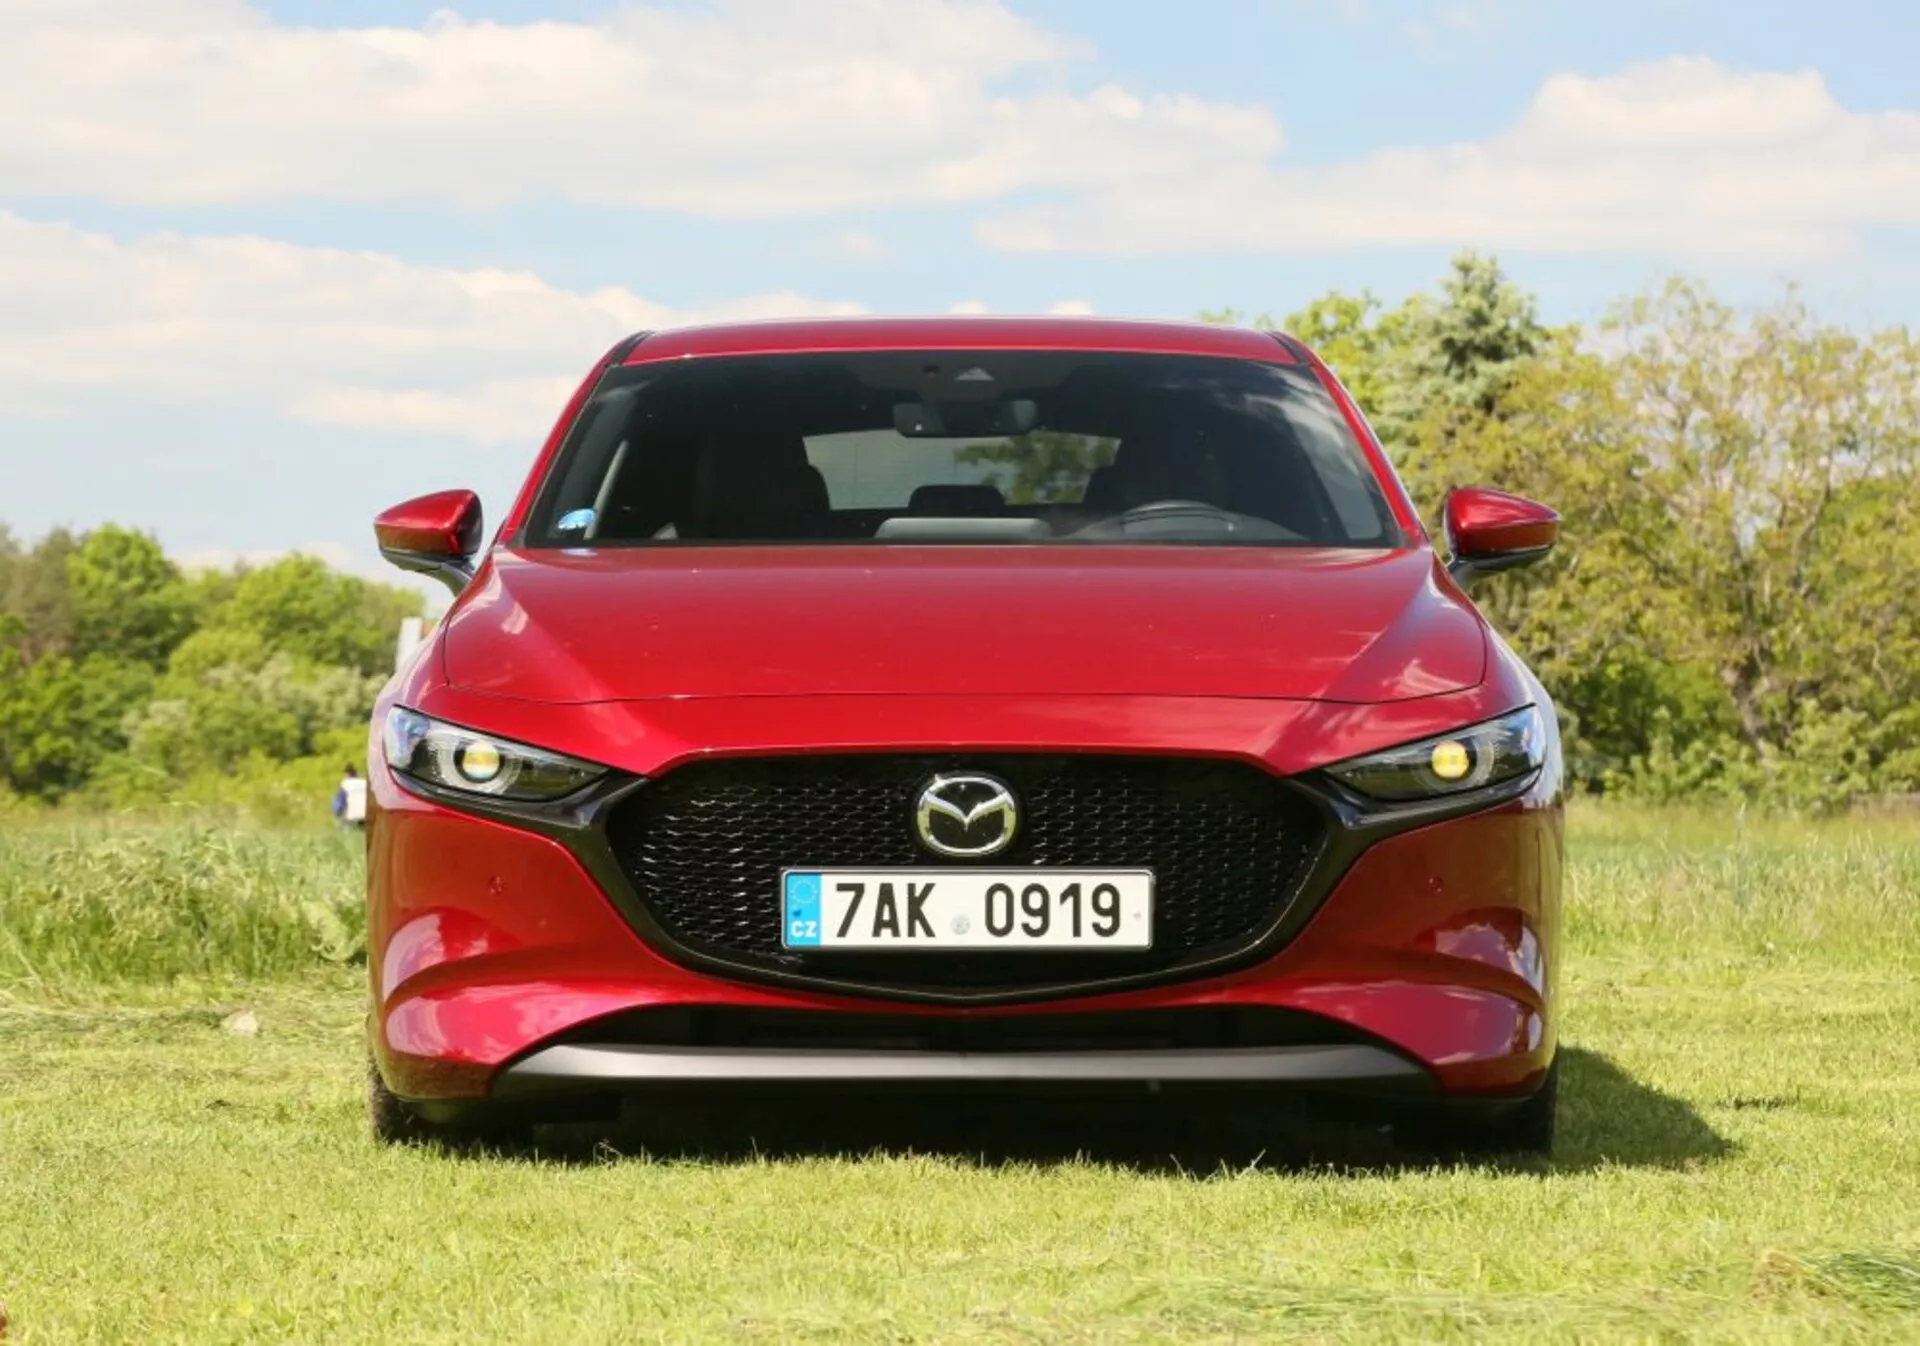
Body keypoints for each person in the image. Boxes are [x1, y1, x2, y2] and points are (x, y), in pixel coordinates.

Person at [332, 764, 368, 829]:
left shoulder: (345, 785)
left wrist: (338, 814)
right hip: (367, 816)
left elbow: (338, 805)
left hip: (351, 817)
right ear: (356, 774)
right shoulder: (364, 783)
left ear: (347, 775)